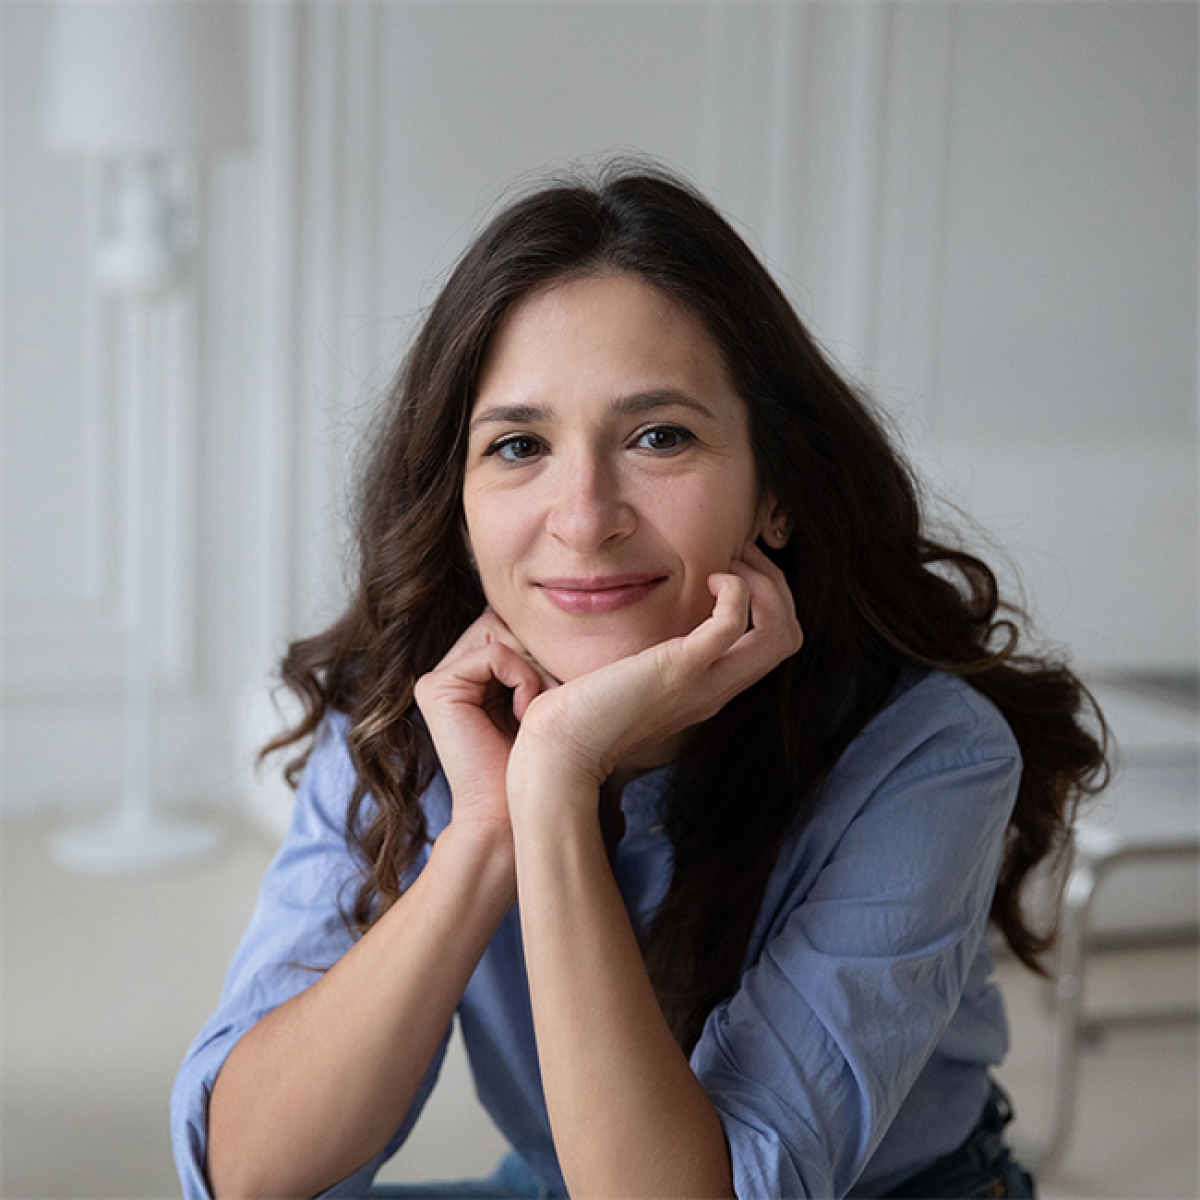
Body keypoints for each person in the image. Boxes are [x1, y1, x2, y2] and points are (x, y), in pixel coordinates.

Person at [171, 163, 1107, 1200]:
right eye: (518, 445)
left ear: (776, 493)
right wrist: (486, 834)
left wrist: (558, 775)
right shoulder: (409, 707)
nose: (584, 517)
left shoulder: (927, 751)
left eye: (660, 437)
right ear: (458, 506)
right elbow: (246, 1175)